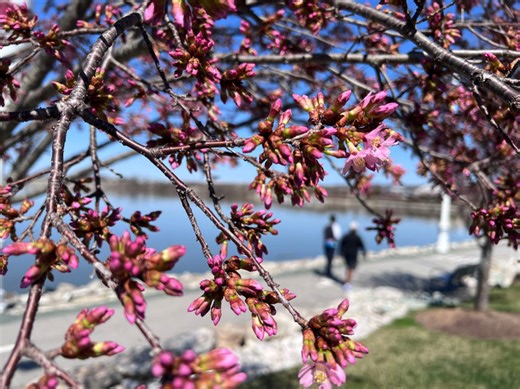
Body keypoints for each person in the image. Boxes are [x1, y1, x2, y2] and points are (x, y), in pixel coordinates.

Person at [339, 221, 366, 291]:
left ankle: (346, 282)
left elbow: (341, 244)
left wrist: (341, 253)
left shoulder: (346, 236)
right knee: (351, 269)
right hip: (353, 255)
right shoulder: (357, 237)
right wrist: (364, 253)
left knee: (348, 268)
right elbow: (362, 246)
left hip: (346, 254)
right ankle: (348, 283)